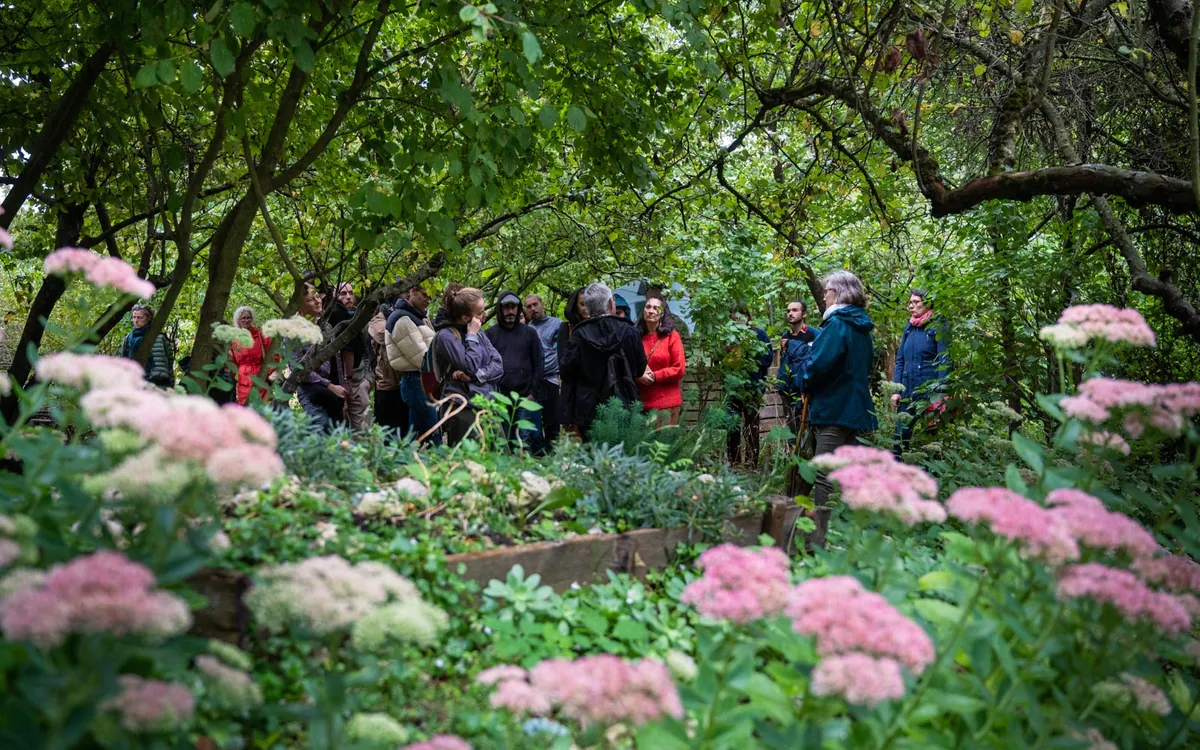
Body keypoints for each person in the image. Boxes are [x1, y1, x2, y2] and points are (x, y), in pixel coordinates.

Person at [803, 271, 878, 548]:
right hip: (854, 408)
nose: (823, 295)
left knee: (824, 473)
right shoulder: (861, 327)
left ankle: (816, 541)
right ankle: (849, 535)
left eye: (827, 290)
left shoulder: (837, 325)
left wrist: (803, 379)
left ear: (840, 293)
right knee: (847, 474)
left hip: (834, 407)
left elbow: (819, 365)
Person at [560, 283, 647, 439]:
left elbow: (567, 372)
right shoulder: (630, 331)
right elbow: (640, 369)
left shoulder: (579, 335)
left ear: (587, 307)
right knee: (622, 455)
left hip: (588, 408)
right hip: (623, 404)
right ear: (611, 303)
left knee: (594, 456)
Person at [431, 287, 504, 446]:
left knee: (499, 458)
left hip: (486, 404)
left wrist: (476, 376)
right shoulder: (446, 336)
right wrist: (471, 335)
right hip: (462, 407)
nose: (484, 315)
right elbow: (471, 364)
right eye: (479, 312)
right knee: (469, 463)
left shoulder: (480, 333)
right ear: (465, 317)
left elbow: (498, 365)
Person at [892, 288, 951, 449]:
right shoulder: (909, 328)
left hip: (929, 391)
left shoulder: (938, 325)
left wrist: (939, 392)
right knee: (900, 436)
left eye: (916, 302)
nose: (911, 306)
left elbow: (944, 360)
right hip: (907, 390)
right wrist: (896, 390)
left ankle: (931, 473)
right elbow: (900, 360)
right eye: (910, 303)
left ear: (927, 304)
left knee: (931, 440)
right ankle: (896, 470)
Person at [486, 291, 545, 450]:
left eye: (514, 307)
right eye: (506, 307)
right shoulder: (490, 334)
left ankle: (524, 473)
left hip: (524, 397)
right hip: (499, 398)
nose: (510, 311)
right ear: (500, 309)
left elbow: (539, 364)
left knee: (522, 443)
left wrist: (533, 392)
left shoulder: (530, 333)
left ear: (519, 309)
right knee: (500, 442)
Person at [387, 284, 437, 442]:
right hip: (416, 381)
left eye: (431, 297)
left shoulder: (417, 317)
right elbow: (421, 358)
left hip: (419, 381)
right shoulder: (402, 319)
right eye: (424, 295)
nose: (428, 300)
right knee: (435, 434)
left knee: (414, 436)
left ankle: (404, 463)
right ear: (412, 291)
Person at [294, 283, 347, 430]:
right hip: (310, 390)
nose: (318, 301)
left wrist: (342, 393)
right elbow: (297, 369)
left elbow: (337, 361)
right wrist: (329, 385)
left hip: (332, 390)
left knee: (339, 432)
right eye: (312, 299)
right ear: (300, 305)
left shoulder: (326, 327)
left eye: (318, 296)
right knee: (321, 427)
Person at [726, 303, 773, 468]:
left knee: (752, 425)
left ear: (747, 316)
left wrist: (748, 355)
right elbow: (720, 360)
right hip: (733, 388)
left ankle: (752, 464)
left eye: (741, 315)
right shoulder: (727, 335)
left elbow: (768, 359)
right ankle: (734, 462)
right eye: (735, 315)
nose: (738, 318)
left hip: (753, 388)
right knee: (732, 424)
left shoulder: (759, 334)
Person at [636, 295, 686, 426]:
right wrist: (638, 376)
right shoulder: (636, 337)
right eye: (648, 307)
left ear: (662, 313)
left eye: (655, 308)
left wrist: (655, 376)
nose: (651, 311)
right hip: (640, 404)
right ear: (643, 311)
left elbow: (679, 369)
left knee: (663, 445)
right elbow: (628, 366)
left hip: (667, 404)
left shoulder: (671, 337)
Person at [328, 282, 372, 431]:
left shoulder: (360, 319)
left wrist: (367, 380)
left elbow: (368, 351)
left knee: (363, 431)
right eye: (342, 294)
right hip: (335, 384)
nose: (348, 297)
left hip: (358, 382)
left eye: (350, 293)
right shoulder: (332, 318)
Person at [525, 293, 563, 447]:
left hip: (550, 380)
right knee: (533, 424)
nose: (533, 309)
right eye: (528, 306)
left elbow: (555, 355)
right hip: (532, 384)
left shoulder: (557, 325)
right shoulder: (527, 329)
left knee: (552, 421)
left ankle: (553, 456)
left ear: (543, 304)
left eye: (535, 304)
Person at [368, 292, 406, 434]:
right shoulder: (379, 317)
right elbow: (381, 335)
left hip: (406, 379)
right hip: (386, 382)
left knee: (408, 431)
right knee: (390, 431)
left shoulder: (410, 315)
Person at [119, 304, 175, 388]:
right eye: (134, 317)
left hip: (157, 382)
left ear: (148, 318)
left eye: (140, 317)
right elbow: (124, 360)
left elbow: (169, 361)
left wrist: (170, 384)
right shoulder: (129, 338)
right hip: (135, 382)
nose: (136, 320)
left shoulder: (159, 337)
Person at [229, 305, 274, 405]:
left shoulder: (261, 335)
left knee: (264, 411)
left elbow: (273, 355)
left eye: (248, 317)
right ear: (238, 320)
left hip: (261, 378)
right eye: (243, 318)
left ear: (252, 319)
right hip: (243, 382)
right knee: (247, 412)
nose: (246, 320)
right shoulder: (235, 341)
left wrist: (271, 374)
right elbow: (232, 363)